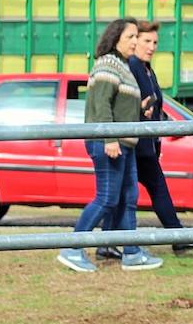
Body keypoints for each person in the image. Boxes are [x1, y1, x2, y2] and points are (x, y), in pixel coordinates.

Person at [58, 18, 162, 273]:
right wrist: (109, 138)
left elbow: (116, 104)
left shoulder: (123, 66)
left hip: (123, 142)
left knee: (129, 197)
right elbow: (101, 104)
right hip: (109, 142)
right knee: (107, 198)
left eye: (137, 36)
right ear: (115, 38)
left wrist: (138, 110)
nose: (136, 42)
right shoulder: (107, 64)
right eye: (131, 37)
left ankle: (131, 251)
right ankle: (72, 248)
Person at [97, 21, 193, 260]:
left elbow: (152, 103)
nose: (151, 46)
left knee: (122, 195)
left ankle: (106, 243)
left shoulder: (145, 67)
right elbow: (130, 103)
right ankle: (175, 238)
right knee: (146, 190)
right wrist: (144, 112)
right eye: (145, 41)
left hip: (145, 142)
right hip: (136, 143)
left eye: (154, 42)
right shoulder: (132, 65)